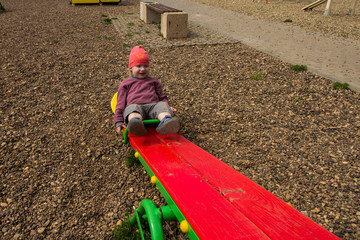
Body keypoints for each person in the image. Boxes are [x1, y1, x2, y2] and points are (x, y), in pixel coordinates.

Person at [114, 46, 180, 137]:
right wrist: (118, 121)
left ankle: (166, 121)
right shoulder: (126, 84)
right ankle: (136, 125)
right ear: (131, 68)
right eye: (138, 66)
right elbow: (120, 103)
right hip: (137, 108)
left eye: (145, 66)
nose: (142, 69)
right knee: (131, 108)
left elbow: (162, 97)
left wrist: (168, 108)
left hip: (153, 109)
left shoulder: (153, 82)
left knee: (161, 105)